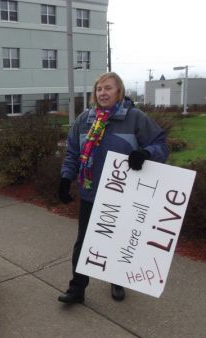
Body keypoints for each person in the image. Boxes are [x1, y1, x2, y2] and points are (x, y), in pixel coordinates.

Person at [57, 72, 169, 304]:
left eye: (108, 88)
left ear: (119, 92)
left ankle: (117, 280)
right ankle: (77, 288)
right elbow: (73, 153)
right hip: (90, 192)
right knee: (84, 242)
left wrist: (145, 153)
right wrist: (66, 179)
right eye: (99, 89)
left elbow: (160, 144)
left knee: (119, 240)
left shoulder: (134, 117)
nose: (103, 93)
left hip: (123, 194)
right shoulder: (84, 120)